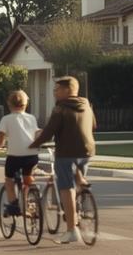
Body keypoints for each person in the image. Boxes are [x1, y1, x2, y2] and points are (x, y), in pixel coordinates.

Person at [30, 75, 97, 244]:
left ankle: (72, 230)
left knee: (66, 188)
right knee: (77, 179)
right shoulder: (86, 104)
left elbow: (49, 132)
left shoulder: (61, 108)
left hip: (66, 152)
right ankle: (82, 193)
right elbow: (94, 125)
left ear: (67, 90)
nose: (54, 92)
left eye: (57, 89)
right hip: (87, 151)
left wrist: (34, 144)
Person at [0, 90, 41, 217]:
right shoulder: (31, 118)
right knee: (27, 178)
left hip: (15, 156)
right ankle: (27, 200)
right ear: (26, 104)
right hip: (31, 155)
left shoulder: (6, 119)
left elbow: (1, 136)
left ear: (9, 104)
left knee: (9, 179)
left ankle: (14, 203)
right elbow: (36, 133)